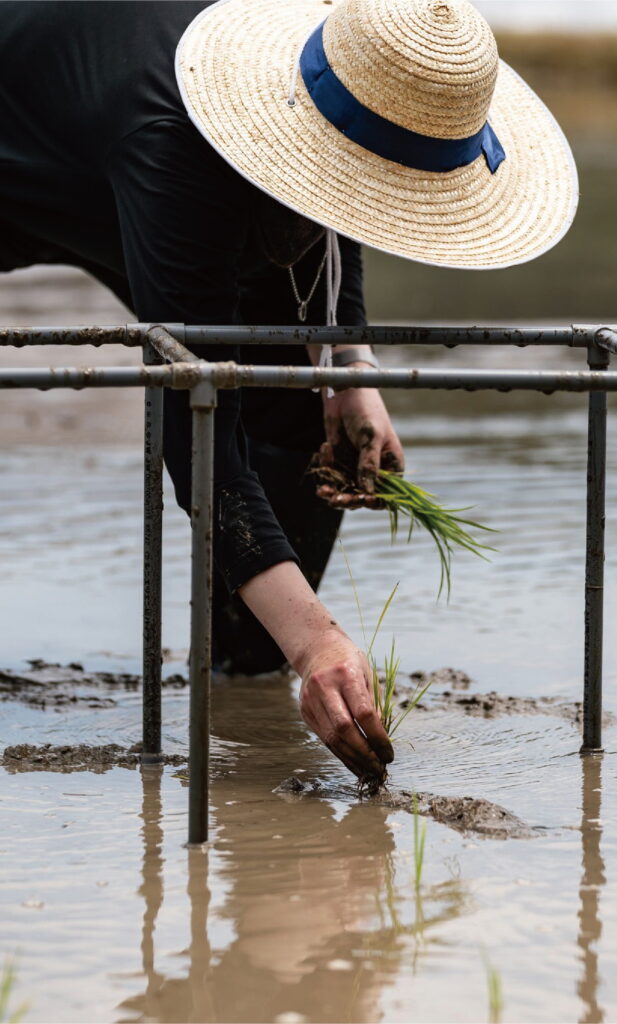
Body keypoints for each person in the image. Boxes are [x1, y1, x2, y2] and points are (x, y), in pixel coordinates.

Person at [0, 0, 577, 785]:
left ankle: (245, 685)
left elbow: (351, 198)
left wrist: (349, 371)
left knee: (299, 410)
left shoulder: (344, 81)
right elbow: (195, 417)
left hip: (120, 143)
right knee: (218, 394)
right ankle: (298, 655)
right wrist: (316, 640)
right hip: (35, 136)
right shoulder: (178, 142)